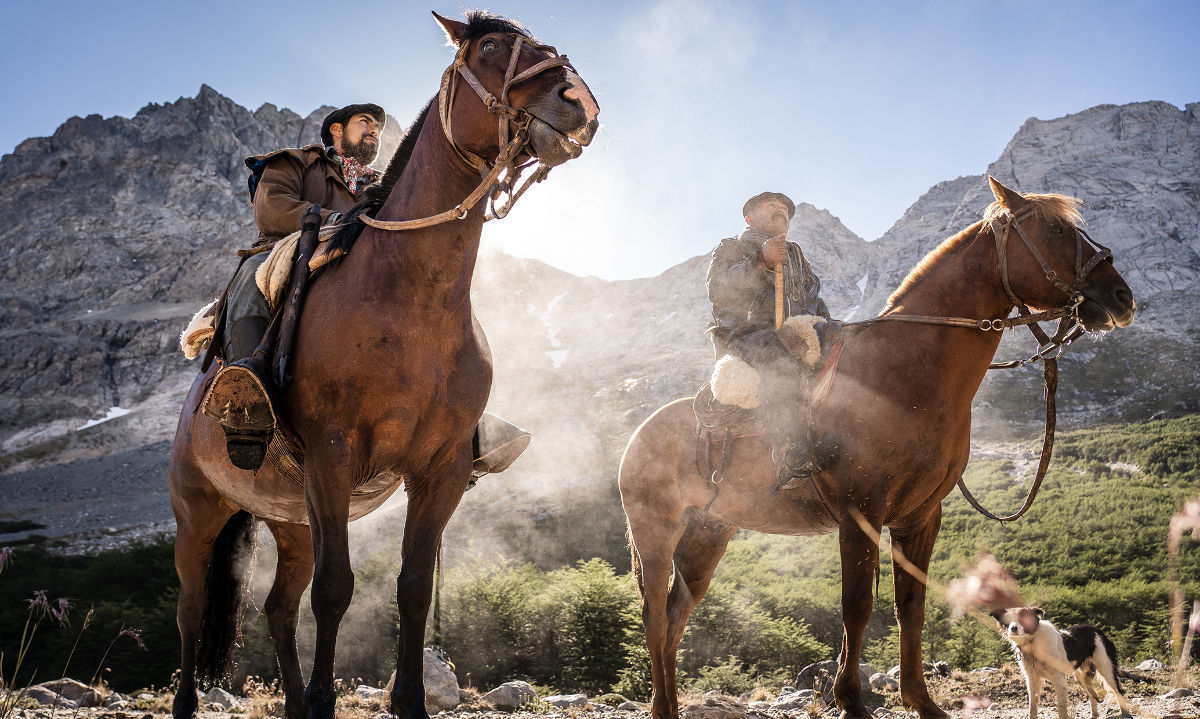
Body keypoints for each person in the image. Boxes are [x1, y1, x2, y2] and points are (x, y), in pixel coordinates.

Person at [203, 103, 385, 470]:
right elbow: (271, 206)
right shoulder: (296, 162)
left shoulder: (380, 184)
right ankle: (245, 394)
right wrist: (334, 219)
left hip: (362, 261)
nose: (374, 131)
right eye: (365, 122)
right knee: (253, 274)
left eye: (379, 128)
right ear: (336, 129)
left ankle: (460, 421)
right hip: (291, 248)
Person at [706, 191, 835, 487]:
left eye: (785, 209)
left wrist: (826, 323)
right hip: (746, 336)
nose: (782, 211)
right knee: (779, 354)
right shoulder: (733, 248)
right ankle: (790, 452)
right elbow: (719, 290)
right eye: (772, 206)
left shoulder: (796, 255)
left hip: (793, 329)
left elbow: (813, 297)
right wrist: (760, 261)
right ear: (750, 218)